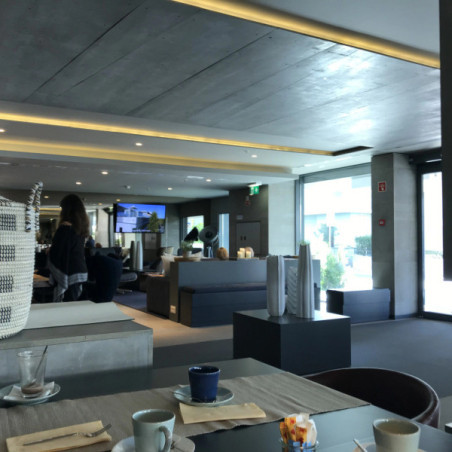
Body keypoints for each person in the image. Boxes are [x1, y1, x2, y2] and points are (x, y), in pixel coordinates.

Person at [48, 194, 89, 302]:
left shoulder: (65, 228)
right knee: (74, 304)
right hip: (81, 271)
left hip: (69, 272)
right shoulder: (81, 228)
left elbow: (58, 253)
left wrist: (49, 251)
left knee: (66, 305)